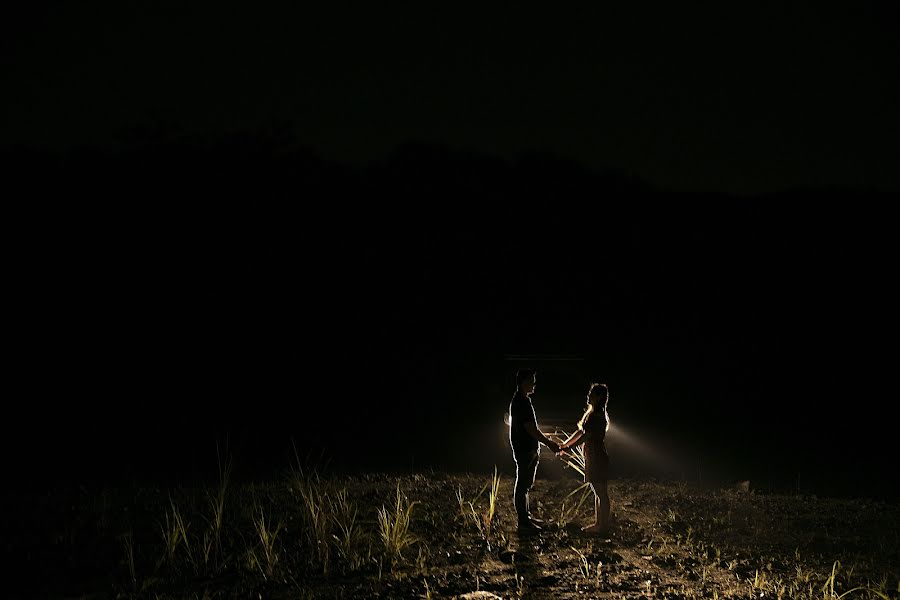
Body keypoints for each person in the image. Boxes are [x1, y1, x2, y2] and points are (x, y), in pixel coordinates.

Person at [508, 368, 560, 530]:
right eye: (531, 380)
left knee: (525, 485)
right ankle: (523, 522)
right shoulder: (521, 403)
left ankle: (526, 518)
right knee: (523, 485)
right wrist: (549, 443)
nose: (534, 384)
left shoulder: (523, 400)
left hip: (528, 448)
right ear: (523, 382)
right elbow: (531, 428)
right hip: (524, 449)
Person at [559, 382, 611, 535]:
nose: (589, 396)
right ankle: (599, 524)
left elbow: (586, 436)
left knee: (601, 492)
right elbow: (580, 432)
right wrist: (564, 444)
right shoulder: (592, 414)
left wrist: (567, 447)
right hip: (592, 455)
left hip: (597, 456)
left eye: (592, 394)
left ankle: (603, 527)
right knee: (597, 491)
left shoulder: (597, 416)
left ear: (599, 397)